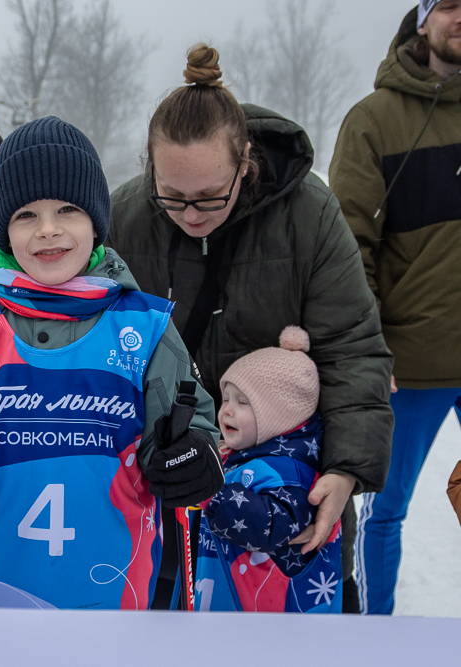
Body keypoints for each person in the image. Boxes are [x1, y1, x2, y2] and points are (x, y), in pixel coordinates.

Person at [107, 44, 394, 613]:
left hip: (284, 488)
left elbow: (352, 347)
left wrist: (345, 471)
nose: (190, 215)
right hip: (166, 491)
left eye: (210, 197)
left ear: (245, 161)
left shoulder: (308, 212)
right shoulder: (126, 218)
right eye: (172, 196)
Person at [0, 116, 223, 610]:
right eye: (26, 215)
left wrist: (192, 456)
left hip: (111, 596)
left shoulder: (143, 326)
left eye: (68, 209)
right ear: (5, 230)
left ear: (96, 222)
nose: (48, 230)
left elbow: (193, 420)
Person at [329, 1, 461, 615]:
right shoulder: (372, 122)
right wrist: (367, 348)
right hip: (411, 361)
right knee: (385, 508)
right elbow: (350, 249)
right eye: (451, 5)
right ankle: (372, 639)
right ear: (422, 17)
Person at [195, 327, 341, 613]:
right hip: (232, 606)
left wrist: (210, 490)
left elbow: (271, 525)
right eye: (226, 398)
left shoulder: (293, 474)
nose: (226, 410)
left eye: (243, 402)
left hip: (272, 625)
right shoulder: (245, 453)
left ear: (279, 416)